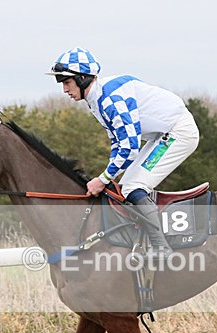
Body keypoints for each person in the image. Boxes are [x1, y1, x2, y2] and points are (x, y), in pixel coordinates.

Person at [45, 47, 199, 257]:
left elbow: (129, 148)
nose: (64, 89)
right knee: (125, 187)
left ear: (82, 78)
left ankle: (161, 247)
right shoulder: (96, 100)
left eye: (66, 82)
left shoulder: (110, 100)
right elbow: (117, 143)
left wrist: (103, 178)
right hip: (160, 134)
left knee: (133, 186)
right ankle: (142, 242)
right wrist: (108, 176)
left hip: (178, 132)